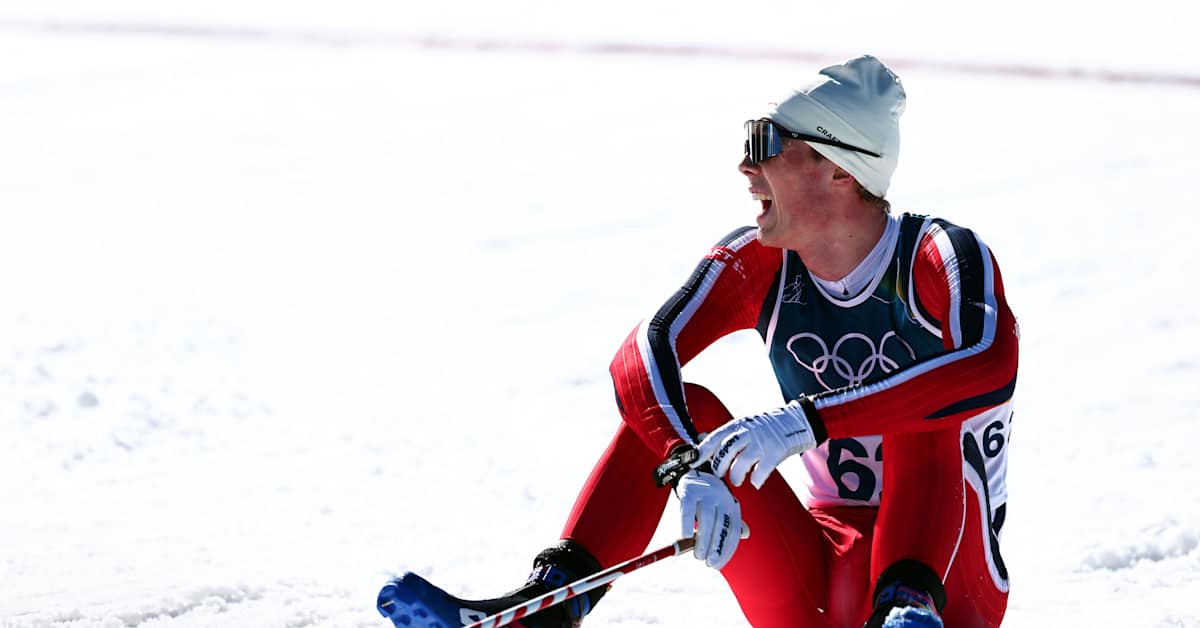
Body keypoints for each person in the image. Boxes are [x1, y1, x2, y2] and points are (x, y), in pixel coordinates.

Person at [378, 54, 1018, 628]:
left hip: (952, 580)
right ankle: (544, 613)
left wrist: (808, 422)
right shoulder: (761, 261)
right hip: (828, 579)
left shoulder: (937, 254)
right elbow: (641, 354)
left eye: (765, 143)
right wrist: (683, 463)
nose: (745, 165)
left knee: (928, 411)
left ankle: (907, 611)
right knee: (679, 405)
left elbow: (990, 366)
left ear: (837, 169)